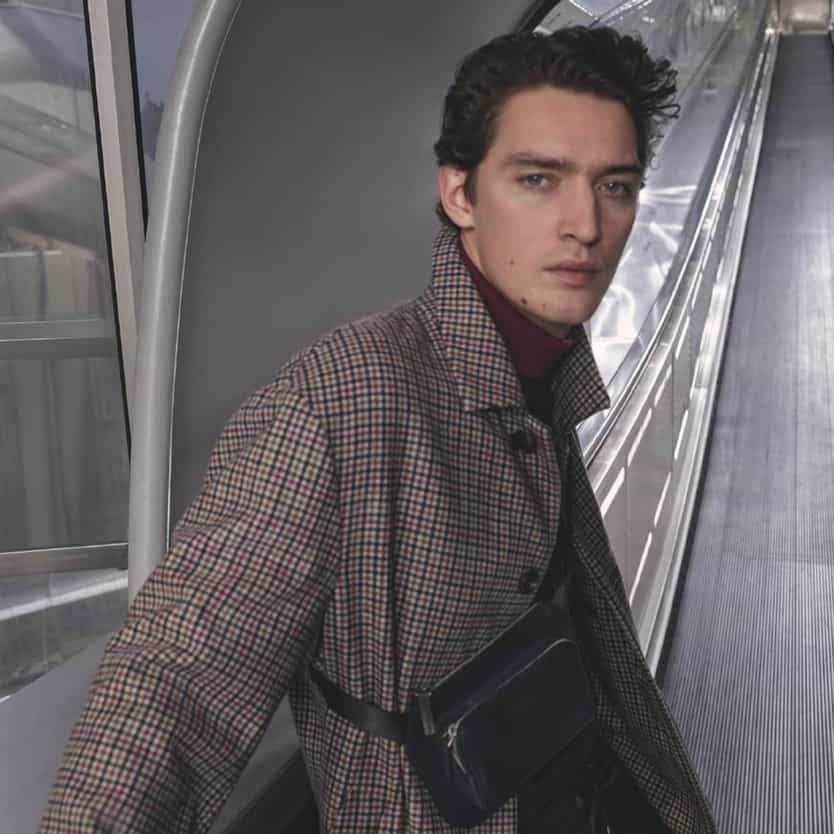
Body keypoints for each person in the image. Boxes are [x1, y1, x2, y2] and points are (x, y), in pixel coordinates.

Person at [40, 25, 716, 834]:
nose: (586, 224)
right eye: (538, 179)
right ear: (460, 193)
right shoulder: (340, 402)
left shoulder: (540, 373)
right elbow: (176, 681)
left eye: (616, 186)